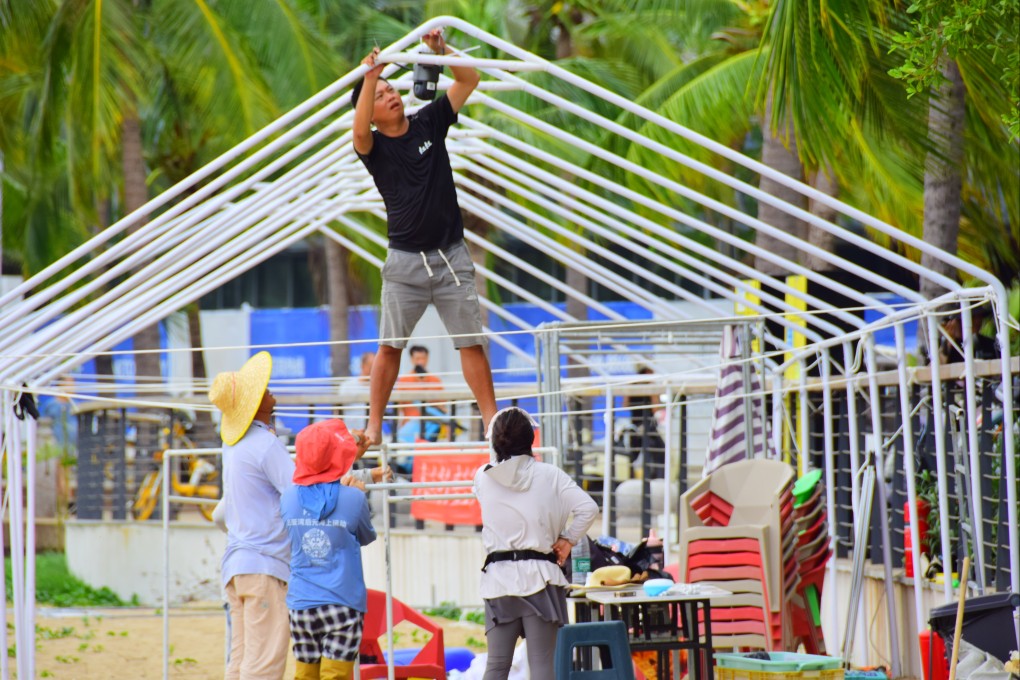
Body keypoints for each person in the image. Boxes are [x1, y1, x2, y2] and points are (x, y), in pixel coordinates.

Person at [352, 28, 497, 448]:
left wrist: (440, 51)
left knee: (471, 343)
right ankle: (375, 427)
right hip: (404, 265)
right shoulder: (372, 147)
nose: (391, 95)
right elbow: (359, 131)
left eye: (392, 88)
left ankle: (491, 422)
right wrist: (369, 77)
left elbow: (469, 80)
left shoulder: (429, 120)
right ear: (370, 110)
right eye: (380, 95)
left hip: (451, 257)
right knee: (389, 347)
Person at [473, 407, 599, 680]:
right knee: (542, 668)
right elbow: (588, 508)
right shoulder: (551, 475)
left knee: (496, 667)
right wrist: (567, 540)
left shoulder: (482, 477)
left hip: (498, 580)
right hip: (541, 577)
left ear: (495, 441)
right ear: (531, 439)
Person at [208, 351, 293, 680]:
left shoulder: (234, 447)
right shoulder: (265, 445)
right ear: (257, 402)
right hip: (265, 565)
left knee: (240, 661)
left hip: (237, 565)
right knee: (264, 665)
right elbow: (298, 493)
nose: (272, 393)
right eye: (267, 389)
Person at [281, 419, 377, 680]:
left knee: (305, 675)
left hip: (301, 602)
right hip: (343, 601)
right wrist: (358, 495)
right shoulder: (354, 498)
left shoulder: (288, 497)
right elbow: (366, 537)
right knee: (336, 676)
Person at [395, 345, 445, 443]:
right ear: (412, 359)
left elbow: (442, 408)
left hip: (430, 426)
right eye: (417, 358)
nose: (421, 362)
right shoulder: (404, 381)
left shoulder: (435, 381)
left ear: (428, 359)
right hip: (409, 426)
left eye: (423, 358)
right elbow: (398, 407)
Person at [337, 351, 375, 431]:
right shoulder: (347, 386)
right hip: (349, 432)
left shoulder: (378, 388)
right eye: (371, 366)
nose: (373, 370)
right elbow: (338, 412)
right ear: (362, 365)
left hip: (370, 432)